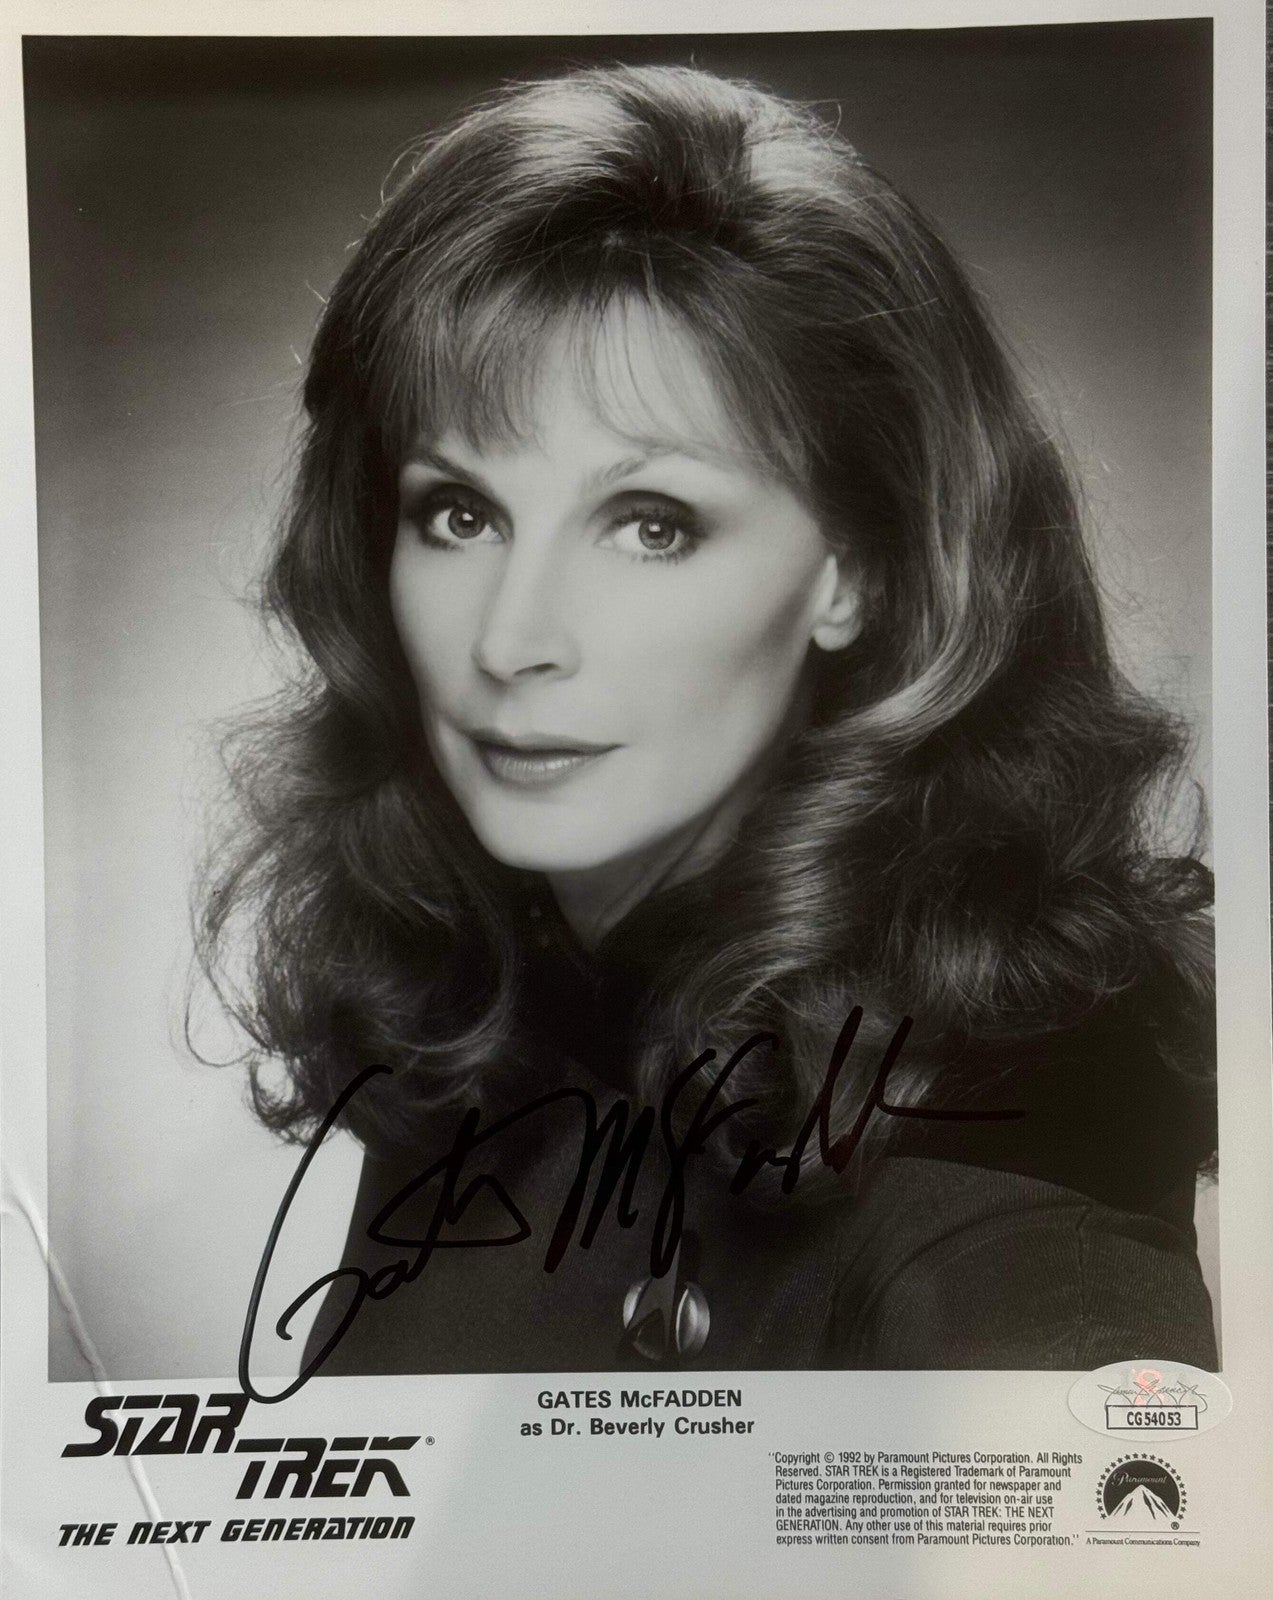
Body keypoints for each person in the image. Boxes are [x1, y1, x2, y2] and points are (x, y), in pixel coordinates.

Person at [198, 63, 1217, 1377]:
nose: (510, 640)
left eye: (651, 525)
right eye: (460, 513)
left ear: (859, 568)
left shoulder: (1004, 1144)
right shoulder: (494, 1022)